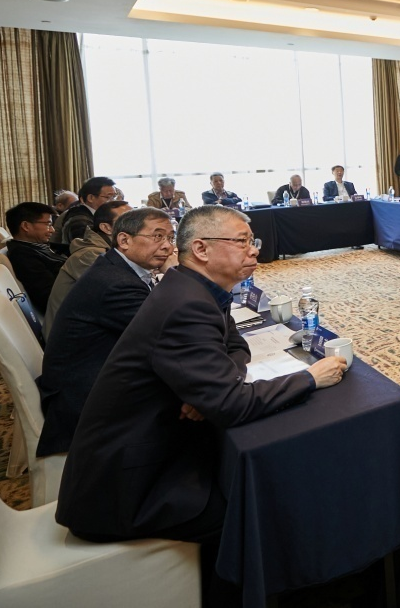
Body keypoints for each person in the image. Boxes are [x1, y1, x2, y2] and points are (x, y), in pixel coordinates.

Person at [54, 206, 346, 583]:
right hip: (127, 488)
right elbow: (231, 404)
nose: (254, 250)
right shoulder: (186, 303)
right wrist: (309, 378)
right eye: (242, 241)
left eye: (252, 240)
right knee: (264, 506)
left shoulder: (193, 287)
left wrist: (211, 386)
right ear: (202, 249)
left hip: (152, 452)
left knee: (265, 480)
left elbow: (235, 346)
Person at [36, 208, 176, 456]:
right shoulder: (117, 283)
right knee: (196, 404)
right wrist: (178, 276)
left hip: (92, 375)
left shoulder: (114, 266)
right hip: (86, 403)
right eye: (158, 236)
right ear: (124, 240)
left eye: (170, 238)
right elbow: (172, 335)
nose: (168, 246)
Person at [45, 199, 132, 327]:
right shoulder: (90, 255)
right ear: (106, 228)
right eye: (129, 221)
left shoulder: (107, 249)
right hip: (72, 332)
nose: (138, 227)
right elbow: (122, 295)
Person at [4, 201, 68, 317]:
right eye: (48, 224)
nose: (52, 230)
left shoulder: (34, 246)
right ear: (26, 226)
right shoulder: (23, 256)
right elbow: (50, 297)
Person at [61, 176, 118, 245]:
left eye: (114, 197)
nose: (113, 201)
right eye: (108, 197)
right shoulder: (79, 220)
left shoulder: (98, 215)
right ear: (90, 198)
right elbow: (90, 244)